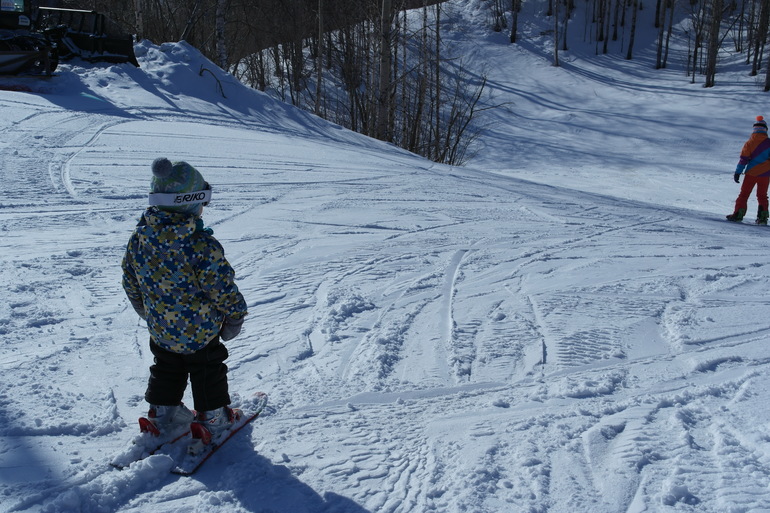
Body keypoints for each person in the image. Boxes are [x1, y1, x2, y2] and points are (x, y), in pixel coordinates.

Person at [121, 157, 248, 443]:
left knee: (166, 365)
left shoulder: (140, 238)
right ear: (190, 201)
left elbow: (129, 278)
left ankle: (162, 412)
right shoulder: (200, 244)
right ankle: (213, 417)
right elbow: (220, 286)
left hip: (161, 328)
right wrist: (235, 314)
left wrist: (145, 310)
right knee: (207, 370)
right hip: (200, 331)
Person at [727, 116, 770, 224]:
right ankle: (763, 218)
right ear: (765, 130)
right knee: (762, 195)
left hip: (751, 173)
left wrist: (738, 172)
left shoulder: (749, 143)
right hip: (765, 174)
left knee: (744, 194)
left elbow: (743, 159)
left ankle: (738, 214)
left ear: (754, 130)